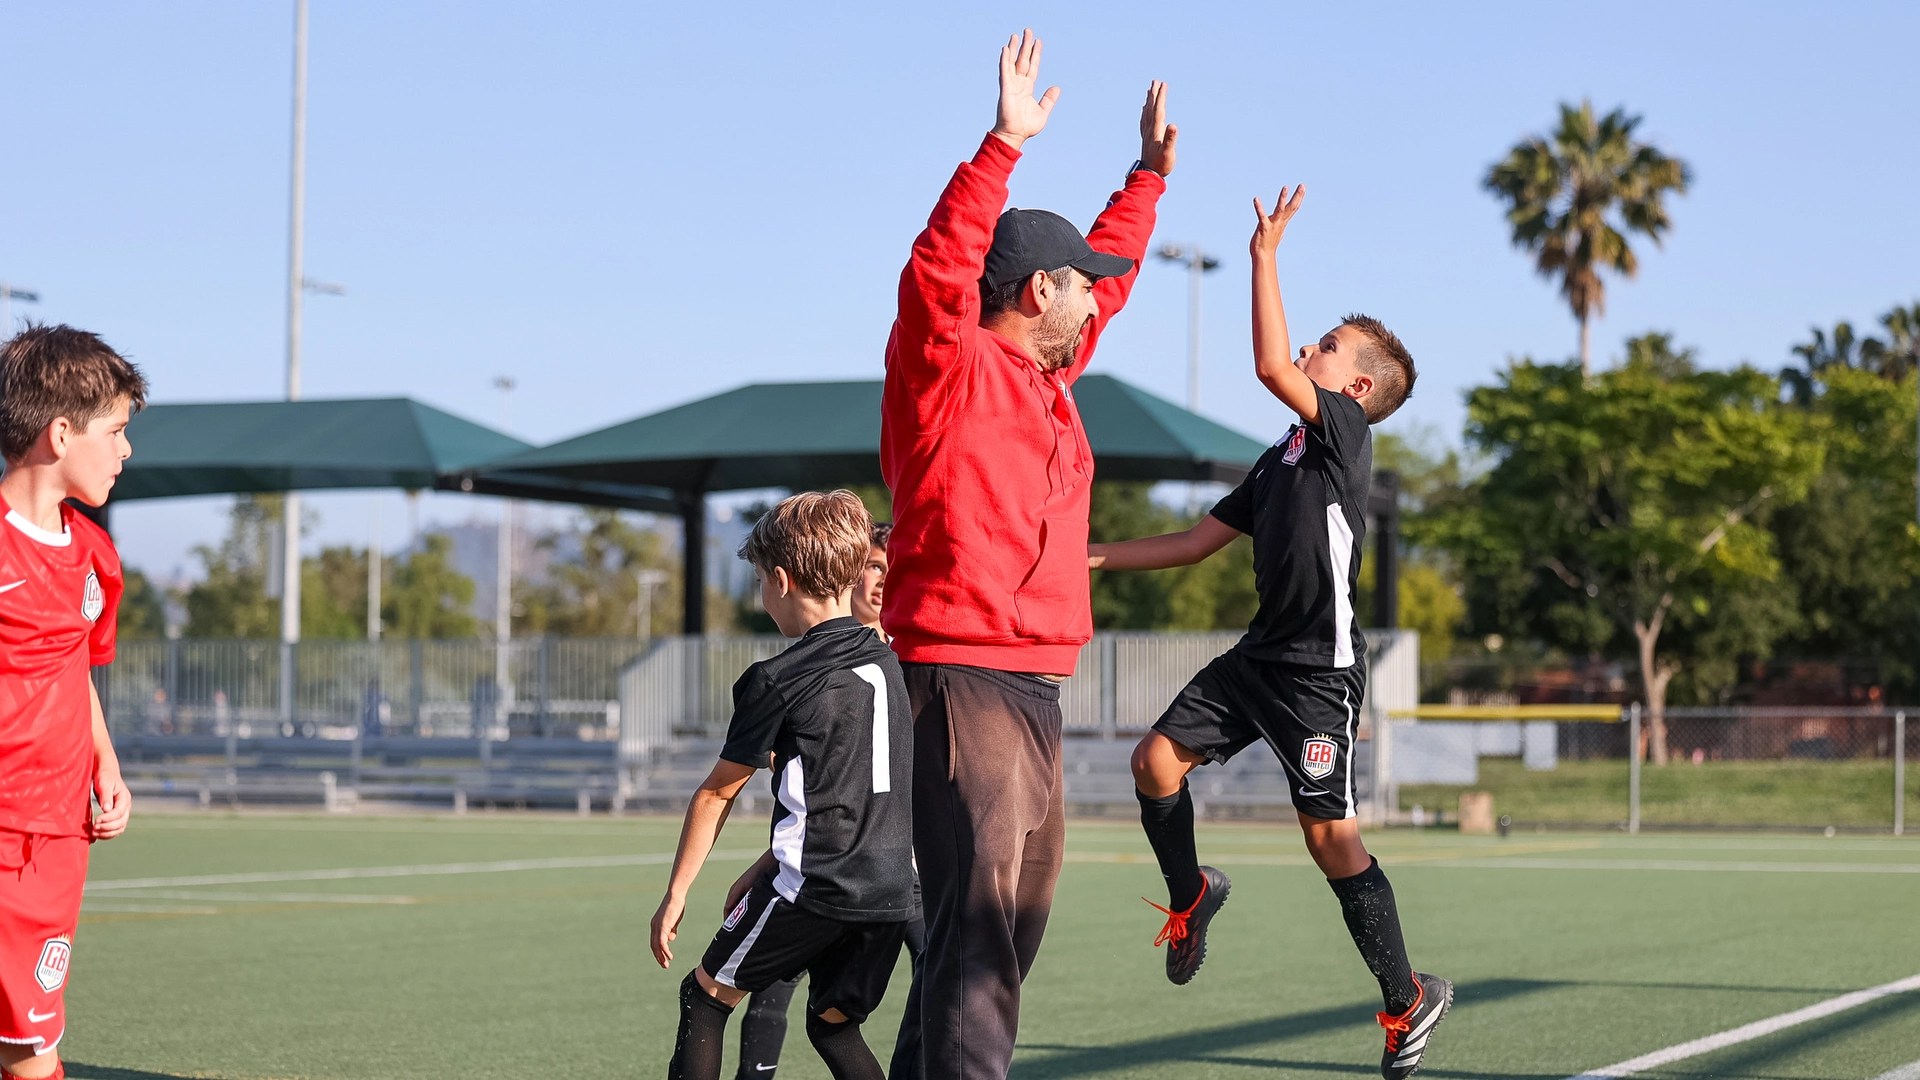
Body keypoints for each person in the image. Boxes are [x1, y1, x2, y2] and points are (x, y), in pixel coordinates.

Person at [1088, 188, 1449, 1080]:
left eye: (1326, 347)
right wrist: (1092, 557)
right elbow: (1194, 543)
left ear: (1357, 388)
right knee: (1153, 763)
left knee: (1330, 842)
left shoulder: (1345, 436)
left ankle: (1408, 1000)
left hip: (1318, 673)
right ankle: (1192, 894)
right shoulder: (1280, 455)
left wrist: (1262, 256)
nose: (1306, 349)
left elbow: (1262, 365)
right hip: (1258, 660)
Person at [880, 30, 1174, 1080]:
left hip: (1033, 687)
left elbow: (1120, 276)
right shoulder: (950, 369)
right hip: (962, 677)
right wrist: (1002, 146)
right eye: (1081, 283)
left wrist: (1145, 180)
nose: (1101, 296)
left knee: (999, 934)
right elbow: (936, 271)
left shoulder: (1049, 379)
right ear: (1037, 291)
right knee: (981, 939)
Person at [651, 491, 914, 1080]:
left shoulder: (776, 679)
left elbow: (717, 793)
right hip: (896, 890)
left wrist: (676, 893)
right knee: (833, 1024)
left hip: (816, 887)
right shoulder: (891, 659)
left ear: (780, 579)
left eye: (760, 583)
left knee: (706, 997)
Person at [0, 324, 143, 1080]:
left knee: (26, 1039)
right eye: (115, 431)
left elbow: (75, 666)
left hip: (54, 839)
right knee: (29, 1048)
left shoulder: (94, 555)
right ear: (61, 433)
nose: (125, 451)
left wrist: (106, 763)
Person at [730, 520, 900, 1080]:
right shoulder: (820, 668)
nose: (881, 578)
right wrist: (767, 863)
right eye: (874, 565)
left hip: (899, 860)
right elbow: (808, 796)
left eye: (892, 567)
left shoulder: (908, 663)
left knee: (944, 983)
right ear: (848, 574)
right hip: (837, 863)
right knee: (776, 992)